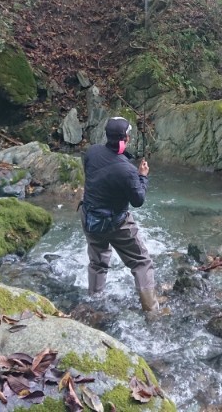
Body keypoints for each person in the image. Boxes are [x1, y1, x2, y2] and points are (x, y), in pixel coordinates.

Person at [80, 116, 158, 312]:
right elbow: (138, 201)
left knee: (97, 262)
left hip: (90, 219)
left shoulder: (91, 152)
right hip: (116, 224)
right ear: (127, 139)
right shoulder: (127, 170)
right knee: (141, 262)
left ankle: (94, 304)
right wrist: (142, 176)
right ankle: (151, 311)